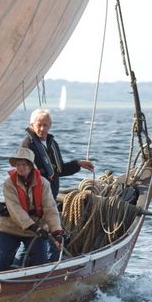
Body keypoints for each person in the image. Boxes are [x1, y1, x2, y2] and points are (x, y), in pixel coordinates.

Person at [20, 108, 94, 261]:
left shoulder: (51, 143)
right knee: (47, 233)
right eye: (39, 125)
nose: (42, 129)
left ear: (50, 125)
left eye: (45, 125)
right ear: (31, 125)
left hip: (50, 197)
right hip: (36, 199)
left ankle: (42, 262)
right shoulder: (27, 145)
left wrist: (78, 164)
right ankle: (45, 263)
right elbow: (23, 173)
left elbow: (57, 170)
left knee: (47, 234)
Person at [0, 147, 64, 272]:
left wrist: (56, 232)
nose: (21, 167)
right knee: (1, 262)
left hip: (36, 231)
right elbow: (15, 210)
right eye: (18, 164)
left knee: (41, 264)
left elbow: (50, 208)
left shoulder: (44, 183)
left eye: (24, 164)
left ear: (31, 166)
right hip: (10, 228)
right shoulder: (9, 183)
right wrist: (34, 227)